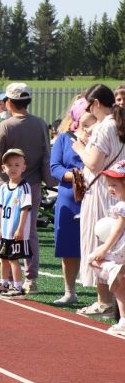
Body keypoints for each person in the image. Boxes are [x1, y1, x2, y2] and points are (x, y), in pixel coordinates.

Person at [0, 82, 53, 290]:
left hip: (7, 186)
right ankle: (30, 278)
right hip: (32, 183)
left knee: (6, 229)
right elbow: (45, 154)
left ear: (9, 102)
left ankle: (7, 279)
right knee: (29, 230)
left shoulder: (5, 126)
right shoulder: (40, 124)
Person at [72, 84, 125, 318]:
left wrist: (80, 147)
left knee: (99, 242)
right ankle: (114, 299)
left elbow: (94, 163)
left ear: (95, 104)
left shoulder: (105, 126)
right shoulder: (117, 123)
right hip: (116, 187)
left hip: (102, 190)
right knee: (115, 244)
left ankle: (104, 300)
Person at [49, 98, 93, 305]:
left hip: (94, 195)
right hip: (69, 196)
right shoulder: (64, 138)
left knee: (97, 243)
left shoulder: (101, 136)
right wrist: (75, 177)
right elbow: (54, 167)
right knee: (68, 245)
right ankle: (70, 291)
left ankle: (103, 294)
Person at [0, 148, 32, 299]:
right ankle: (4, 283)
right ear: (3, 168)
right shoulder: (5, 187)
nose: (13, 168)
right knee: (4, 258)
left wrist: (20, 229)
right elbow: (0, 208)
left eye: (17, 165)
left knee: (14, 259)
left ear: (24, 167)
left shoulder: (24, 187)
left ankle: (18, 287)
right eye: (9, 165)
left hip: (16, 232)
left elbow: (25, 210)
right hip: (5, 231)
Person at [87, 160, 125, 334]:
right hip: (119, 252)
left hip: (119, 251)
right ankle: (123, 321)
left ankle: (124, 321)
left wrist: (105, 248)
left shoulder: (122, 207)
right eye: (109, 185)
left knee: (93, 260)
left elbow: (117, 231)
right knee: (119, 287)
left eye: (114, 185)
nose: (110, 188)